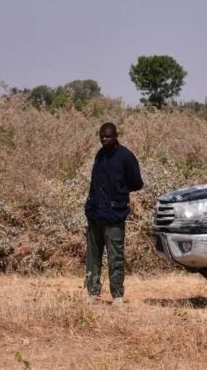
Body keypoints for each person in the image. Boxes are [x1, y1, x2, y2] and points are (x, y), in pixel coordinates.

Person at [84, 122, 143, 305]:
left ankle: (117, 295)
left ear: (116, 136)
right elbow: (95, 183)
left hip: (115, 215)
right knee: (93, 257)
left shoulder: (126, 156)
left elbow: (137, 183)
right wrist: (90, 206)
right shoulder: (100, 155)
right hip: (95, 214)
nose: (105, 139)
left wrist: (119, 193)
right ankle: (93, 293)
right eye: (102, 136)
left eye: (108, 136)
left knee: (115, 257)